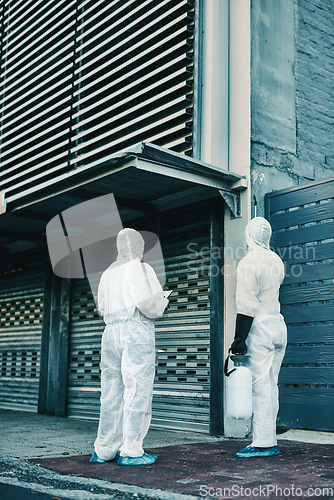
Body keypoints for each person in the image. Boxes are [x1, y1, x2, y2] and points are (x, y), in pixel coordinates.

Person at [90, 228, 168, 465]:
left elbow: (101, 307)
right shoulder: (141, 268)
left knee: (111, 392)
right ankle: (132, 450)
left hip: (110, 332)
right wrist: (162, 300)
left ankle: (104, 449)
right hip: (135, 331)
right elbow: (149, 305)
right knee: (138, 388)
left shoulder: (107, 273)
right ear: (138, 246)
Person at [230, 217, 287, 458]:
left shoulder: (248, 262)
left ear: (248, 235)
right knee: (271, 385)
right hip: (279, 326)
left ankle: (263, 443)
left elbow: (246, 305)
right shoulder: (277, 260)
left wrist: (238, 339)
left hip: (260, 327)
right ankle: (268, 437)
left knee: (261, 387)